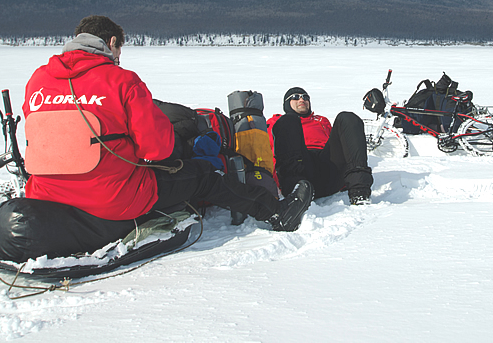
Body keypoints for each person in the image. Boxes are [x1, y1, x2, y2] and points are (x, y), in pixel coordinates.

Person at [22, 15, 312, 232]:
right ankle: (277, 213)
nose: (118, 59)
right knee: (203, 174)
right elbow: (158, 149)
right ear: (111, 44)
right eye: (119, 52)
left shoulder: (38, 80)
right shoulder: (121, 80)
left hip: (47, 196)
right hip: (113, 198)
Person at [267, 87, 373, 205]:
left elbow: (343, 145)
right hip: (299, 173)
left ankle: (359, 190)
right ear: (287, 103)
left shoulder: (322, 121)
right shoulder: (277, 122)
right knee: (288, 120)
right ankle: (296, 195)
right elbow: (266, 152)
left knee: (347, 117)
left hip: (328, 171)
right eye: (296, 97)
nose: (302, 99)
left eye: (305, 97)